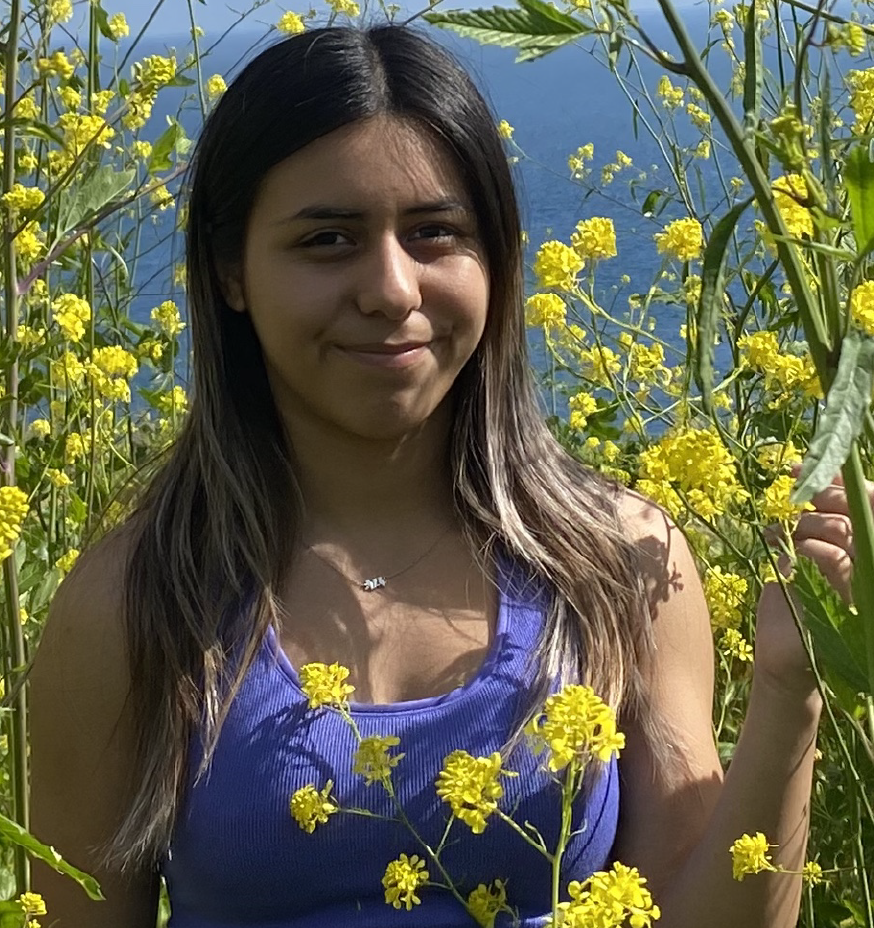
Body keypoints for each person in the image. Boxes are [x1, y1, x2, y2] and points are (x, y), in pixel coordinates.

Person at [29, 21, 845, 928]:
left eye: (434, 233)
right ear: (231, 272)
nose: (392, 287)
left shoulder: (621, 564)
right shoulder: (137, 598)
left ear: (497, 261)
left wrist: (787, 694)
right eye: (327, 240)